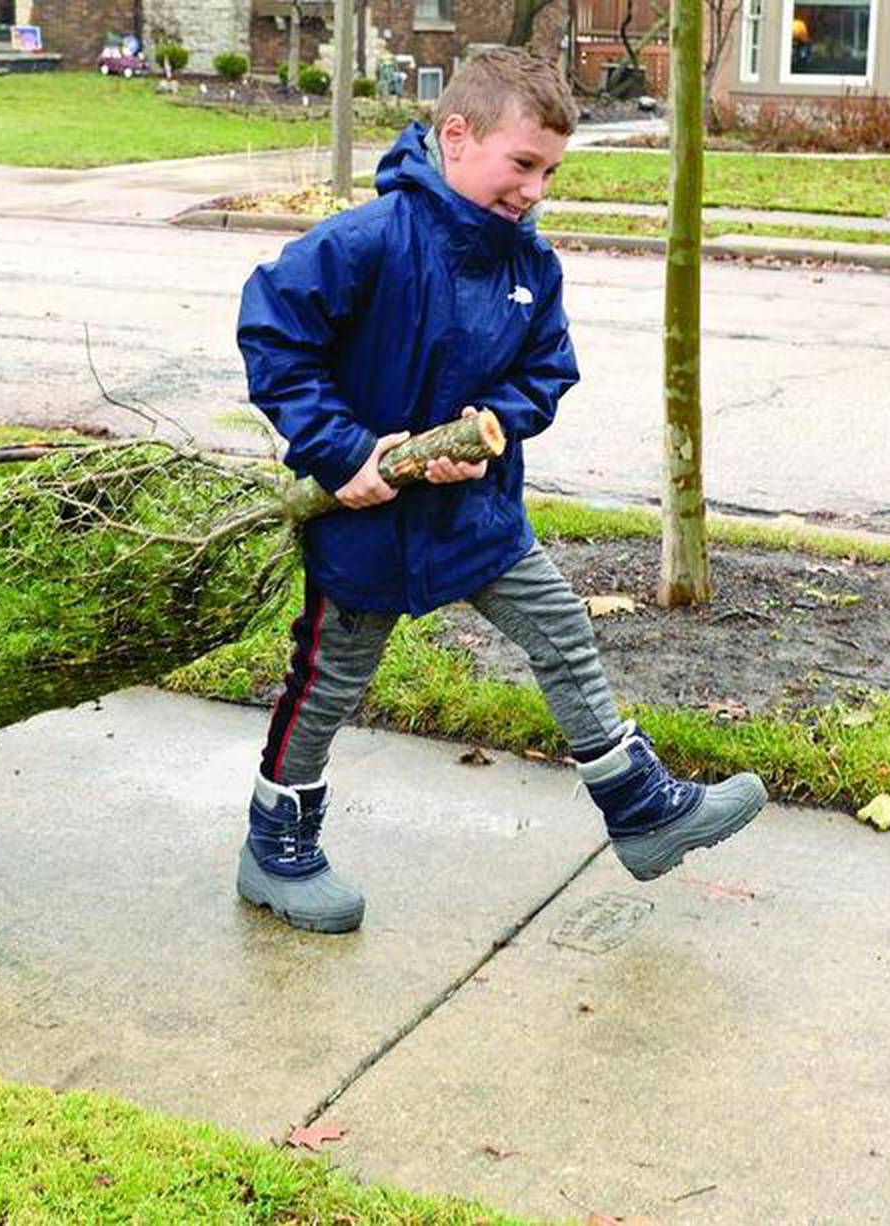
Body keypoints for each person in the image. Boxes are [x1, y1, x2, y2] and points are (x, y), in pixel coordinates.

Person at [234, 47, 767, 935]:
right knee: (329, 680)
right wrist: (341, 451)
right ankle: (276, 845)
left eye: (549, 171)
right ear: (455, 136)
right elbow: (273, 333)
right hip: (365, 518)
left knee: (560, 628)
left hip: (475, 515)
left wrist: (494, 426)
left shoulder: (530, 265)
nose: (534, 189)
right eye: (522, 164)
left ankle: (640, 808)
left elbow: (547, 372)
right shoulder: (368, 242)